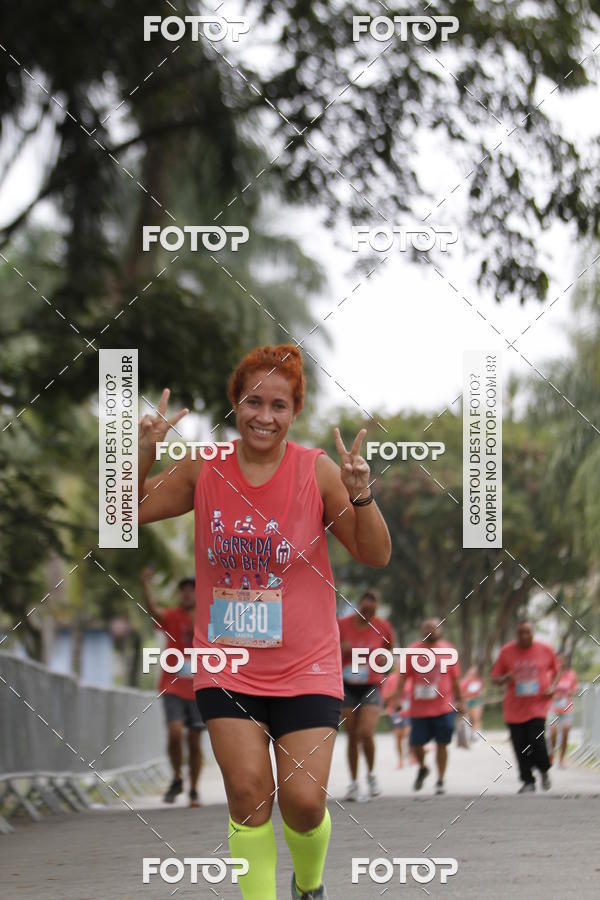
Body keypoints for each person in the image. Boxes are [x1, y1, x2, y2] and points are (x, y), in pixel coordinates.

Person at [137, 343, 391, 900]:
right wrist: (140, 453)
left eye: (279, 405)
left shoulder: (316, 471)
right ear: (236, 403)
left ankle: (309, 885)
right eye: (254, 402)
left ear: (294, 412)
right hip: (227, 666)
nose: (264, 416)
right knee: (250, 795)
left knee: (304, 803)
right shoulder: (206, 468)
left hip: (306, 665)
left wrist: (361, 494)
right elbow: (118, 516)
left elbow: (374, 555)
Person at [140, 568, 204, 807]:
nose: (187, 595)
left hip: (199, 687)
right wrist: (147, 585)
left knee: (195, 741)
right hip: (173, 685)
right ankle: (177, 777)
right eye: (184, 591)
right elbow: (152, 610)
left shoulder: (209, 617)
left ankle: (194, 789)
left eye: (192, 590)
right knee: (175, 731)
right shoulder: (172, 616)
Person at [390, 617, 464, 794]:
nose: (431, 631)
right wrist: (398, 699)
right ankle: (423, 767)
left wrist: (461, 701)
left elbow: (455, 680)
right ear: (421, 630)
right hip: (419, 709)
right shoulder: (412, 651)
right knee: (416, 744)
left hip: (444, 707)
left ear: (440, 630)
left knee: (442, 743)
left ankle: (440, 780)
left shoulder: (448, 650)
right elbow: (402, 678)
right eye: (427, 628)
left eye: (435, 628)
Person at [338, 590, 396, 799]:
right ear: (359, 605)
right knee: (352, 735)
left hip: (371, 685)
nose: (367, 614)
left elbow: (389, 653)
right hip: (347, 685)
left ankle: (371, 775)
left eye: (371, 612)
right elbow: (325, 648)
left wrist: (383, 661)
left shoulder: (383, 627)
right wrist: (339, 649)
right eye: (364, 610)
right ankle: (353, 783)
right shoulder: (342, 625)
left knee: (366, 732)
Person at [491, 620, 560, 793]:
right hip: (514, 708)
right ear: (516, 635)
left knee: (536, 739)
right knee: (520, 745)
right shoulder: (507, 652)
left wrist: (552, 686)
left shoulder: (545, 650)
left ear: (532, 634)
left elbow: (556, 670)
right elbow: (495, 679)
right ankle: (528, 781)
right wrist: (504, 679)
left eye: (527, 632)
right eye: (520, 633)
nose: (523, 636)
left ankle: (544, 769)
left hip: (538, 705)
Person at [548, 654, 578, 768]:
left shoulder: (571, 674)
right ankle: (551, 756)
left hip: (567, 708)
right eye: (558, 661)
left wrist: (570, 692)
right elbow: (547, 689)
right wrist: (553, 695)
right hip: (553, 708)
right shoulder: (551, 674)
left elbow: (575, 688)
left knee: (565, 733)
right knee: (553, 733)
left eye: (562, 660)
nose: (560, 663)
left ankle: (561, 759)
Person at [381, 669, 411, 768]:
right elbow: (384, 696)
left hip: (408, 710)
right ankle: (400, 760)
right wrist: (396, 693)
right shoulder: (391, 678)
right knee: (398, 735)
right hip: (394, 711)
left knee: (408, 732)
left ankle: (412, 754)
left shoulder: (410, 677)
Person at [460, 665, 485, 741]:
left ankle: (476, 734)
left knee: (476, 718)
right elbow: (461, 692)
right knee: (468, 718)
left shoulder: (479, 680)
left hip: (476, 701)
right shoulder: (464, 681)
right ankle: (468, 734)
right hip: (467, 701)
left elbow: (481, 690)